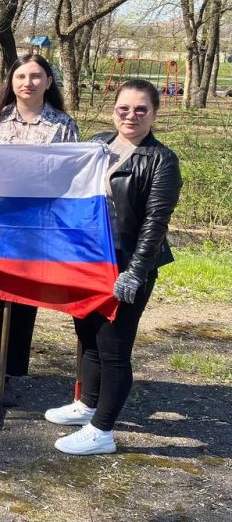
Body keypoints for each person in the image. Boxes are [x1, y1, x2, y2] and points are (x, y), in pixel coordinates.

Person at [45, 79, 181, 455]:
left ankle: (102, 430)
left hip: (127, 262)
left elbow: (156, 221)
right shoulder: (99, 145)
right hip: (90, 260)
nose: (131, 116)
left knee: (114, 345)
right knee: (88, 335)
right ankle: (87, 404)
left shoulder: (161, 159)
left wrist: (135, 271)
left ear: (155, 113)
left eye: (141, 110)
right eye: (125, 108)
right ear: (114, 110)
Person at [0, 53, 79, 400]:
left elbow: (70, 179)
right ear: (11, 81)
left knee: (20, 302)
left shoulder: (63, 126)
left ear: (49, 82)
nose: (28, 82)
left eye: (36, 76)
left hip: (34, 231)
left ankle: (6, 372)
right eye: (21, 76)